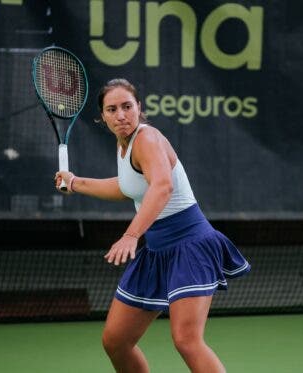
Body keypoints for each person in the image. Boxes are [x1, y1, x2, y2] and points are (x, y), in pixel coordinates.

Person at [55, 78, 250, 373]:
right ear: (103, 116)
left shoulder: (147, 138)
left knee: (187, 340)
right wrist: (76, 182)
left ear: (138, 108)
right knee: (116, 341)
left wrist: (132, 234)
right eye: (112, 109)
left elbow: (162, 186)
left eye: (127, 106)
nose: (121, 115)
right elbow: (126, 187)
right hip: (157, 250)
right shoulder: (123, 146)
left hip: (190, 245)